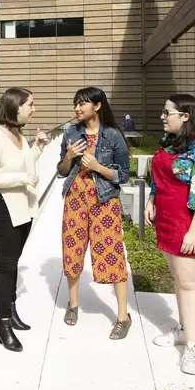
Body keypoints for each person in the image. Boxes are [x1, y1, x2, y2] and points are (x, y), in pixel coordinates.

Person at [146, 94, 195, 375]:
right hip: (167, 219)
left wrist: (193, 231)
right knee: (178, 280)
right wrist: (151, 200)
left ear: (186, 116)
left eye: (168, 113)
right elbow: (158, 177)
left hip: (189, 223)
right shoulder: (171, 143)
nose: (163, 117)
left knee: (190, 284)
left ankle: (192, 347)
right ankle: (182, 328)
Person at [58, 86, 131, 339]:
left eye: (83, 103)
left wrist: (98, 167)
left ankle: (123, 316)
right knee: (73, 251)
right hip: (75, 199)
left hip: (104, 201)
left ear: (97, 106)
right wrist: (68, 156)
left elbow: (123, 175)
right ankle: (73, 303)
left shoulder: (113, 136)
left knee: (112, 254)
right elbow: (63, 170)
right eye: (76, 103)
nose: (77, 108)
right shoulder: (70, 133)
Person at [0, 87, 48, 352]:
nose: (34, 108)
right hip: (4, 206)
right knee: (6, 264)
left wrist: (38, 148)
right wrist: (20, 179)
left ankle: (11, 309)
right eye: (30, 104)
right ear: (14, 106)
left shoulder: (18, 134)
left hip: (24, 207)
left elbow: (25, 168)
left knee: (13, 261)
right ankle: (2, 324)